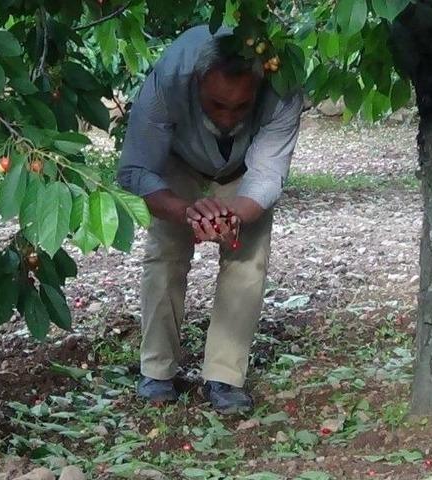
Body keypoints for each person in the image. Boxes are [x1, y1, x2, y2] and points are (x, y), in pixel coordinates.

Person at [117, 24, 303, 414]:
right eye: (217, 103)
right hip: (178, 164)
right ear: (198, 81)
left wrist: (230, 215)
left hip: (245, 171)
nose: (227, 116)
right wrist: (185, 211)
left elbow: (268, 175)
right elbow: (136, 169)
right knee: (166, 255)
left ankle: (224, 377)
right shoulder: (168, 79)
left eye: (240, 106)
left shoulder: (284, 87)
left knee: (247, 257)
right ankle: (157, 371)